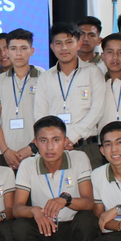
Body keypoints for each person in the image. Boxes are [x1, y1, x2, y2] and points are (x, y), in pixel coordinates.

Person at [10, 116, 100, 241]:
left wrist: (66, 199)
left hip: (71, 232)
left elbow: (89, 202)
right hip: (45, 229)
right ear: (35, 143)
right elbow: (17, 208)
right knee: (19, 226)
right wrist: (35, 210)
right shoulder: (28, 165)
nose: (50, 147)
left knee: (88, 219)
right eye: (43, 141)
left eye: (56, 140)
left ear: (66, 141)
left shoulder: (79, 158)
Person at [34, 22, 106, 167]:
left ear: (78, 44)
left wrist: (71, 137)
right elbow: (40, 114)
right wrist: (57, 140)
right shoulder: (45, 77)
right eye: (58, 43)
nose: (64, 48)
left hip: (86, 146)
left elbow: (97, 111)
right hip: (53, 149)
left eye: (69, 42)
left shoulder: (93, 72)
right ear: (52, 47)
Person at [0, 28, 42, 170]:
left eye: (23, 48)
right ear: (7, 51)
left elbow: (48, 119)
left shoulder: (43, 77)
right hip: (6, 153)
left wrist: (30, 148)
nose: (18, 53)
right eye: (13, 48)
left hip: (35, 151)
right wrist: (5, 150)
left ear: (32, 50)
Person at [99, 33, 121, 131]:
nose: (115, 57)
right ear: (103, 56)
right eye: (110, 52)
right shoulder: (97, 83)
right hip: (104, 141)